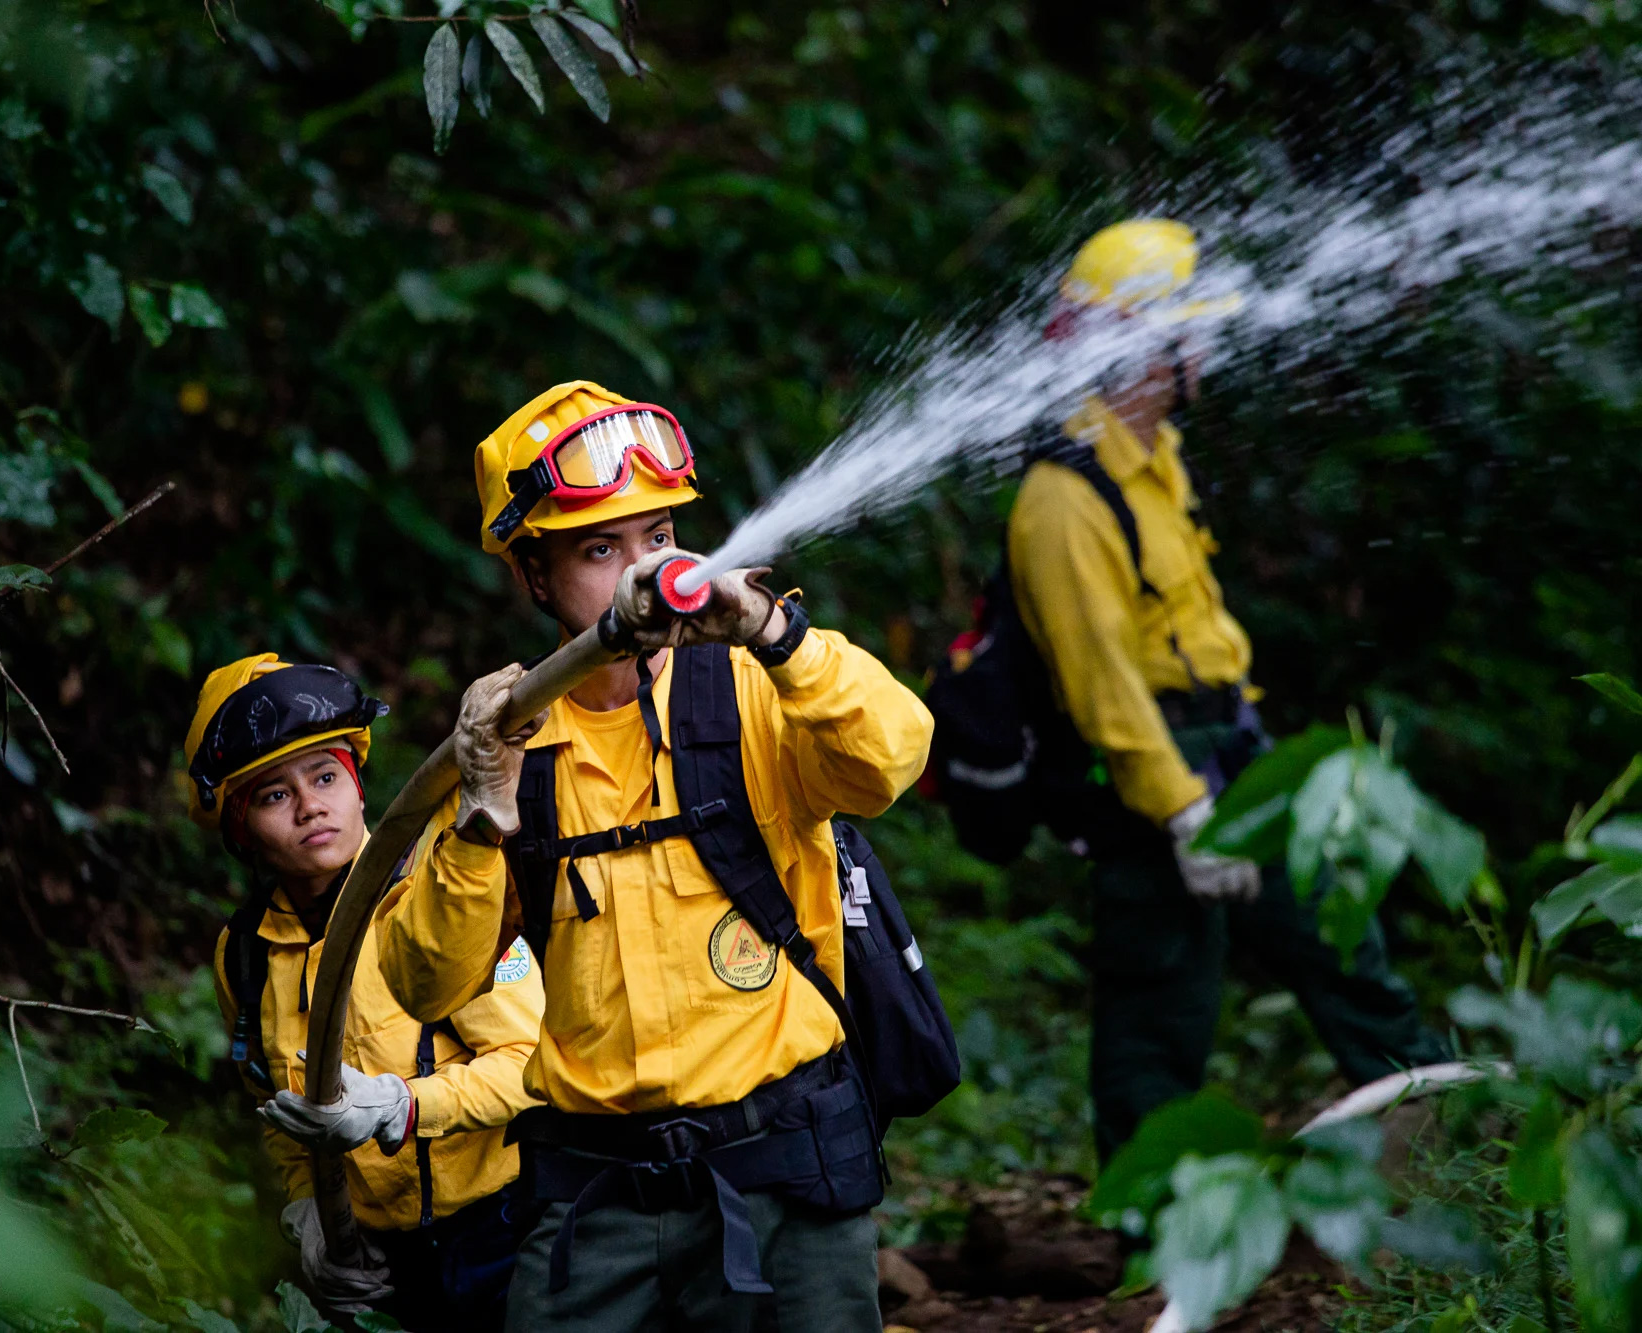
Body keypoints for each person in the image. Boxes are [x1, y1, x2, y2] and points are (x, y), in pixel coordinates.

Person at [376, 381, 935, 1333]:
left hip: (786, 1178)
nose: (643, 572)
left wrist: (773, 632)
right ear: (534, 576)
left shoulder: (758, 689)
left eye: (660, 536)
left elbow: (891, 754)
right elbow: (427, 981)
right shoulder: (510, 748)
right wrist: (483, 812)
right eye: (600, 549)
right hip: (599, 1204)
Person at [1007, 219, 1450, 1160]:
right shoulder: (1064, 497)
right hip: (1151, 778)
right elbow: (1103, 686)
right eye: (1189, 331)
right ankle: (1150, 1230)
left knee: (1336, 933)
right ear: (1144, 346)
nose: (1205, 349)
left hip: (1228, 747)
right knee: (1159, 1008)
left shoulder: (1156, 454)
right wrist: (1181, 813)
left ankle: (1441, 1131)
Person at [184, 653, 546, 1332]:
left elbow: (534, 1066)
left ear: (357, 787)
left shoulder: (440, 894)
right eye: (272, 794)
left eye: (325, 776)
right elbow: (276, 1110)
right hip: (384, 1269)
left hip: (508, 1234)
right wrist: (311, 1215)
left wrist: (403, 1106)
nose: (309, 805)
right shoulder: (245, 956)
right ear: (240, 829)